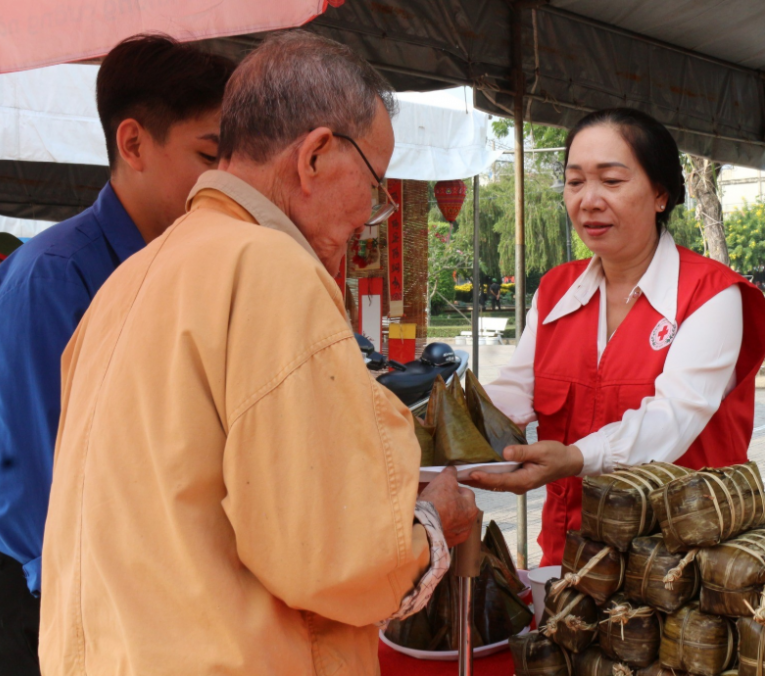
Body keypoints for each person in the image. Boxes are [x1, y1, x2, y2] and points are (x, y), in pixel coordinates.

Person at [39, 33, 477, 676]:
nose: (373, 214)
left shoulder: (130, 278)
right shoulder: (271, 269)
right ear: (318, 156)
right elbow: (333, 555)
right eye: (376, 183)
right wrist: (432, 524)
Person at [0, 35, 235, 676]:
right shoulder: (54, 277)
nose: (226, 182)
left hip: (142, 580)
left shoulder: (188, 267)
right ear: (133, 145)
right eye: (209, 155)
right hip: (49, 584)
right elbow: (46, 468)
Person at [470, 108, 765, 564]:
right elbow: (515, 388)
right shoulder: (556, 290)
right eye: (574, 182)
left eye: (611, 181)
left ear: (660, 195)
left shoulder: (711, 295)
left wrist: (573, 458)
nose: (588, 200)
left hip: (679, 568)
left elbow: (672, 419)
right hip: (572, 552)